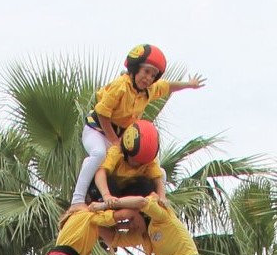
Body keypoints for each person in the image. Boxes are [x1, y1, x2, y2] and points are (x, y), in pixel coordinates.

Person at [70, 44, 201, 207]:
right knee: (98, 154)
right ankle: (77, 200)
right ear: (135, 68)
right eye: (146, 71)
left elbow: (168, 86)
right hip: (98, 130)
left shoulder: (150, 90)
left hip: (122, 136)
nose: (148, 78)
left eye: (153, 75)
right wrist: (114, 140)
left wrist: (189, 84)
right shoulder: (120, 86)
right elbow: (103, 114)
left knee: (156, 166)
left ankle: (158, 201)